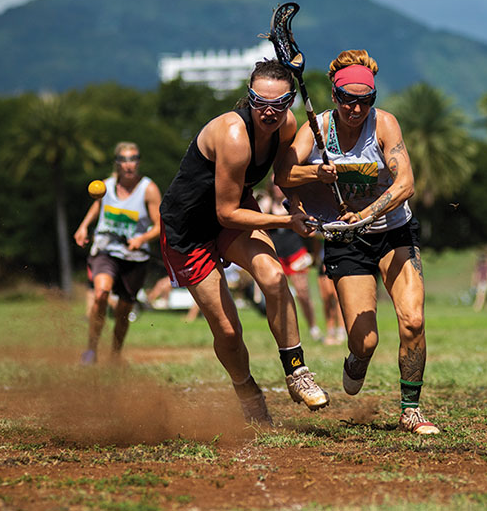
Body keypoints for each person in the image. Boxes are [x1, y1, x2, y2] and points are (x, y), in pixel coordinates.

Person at [276, 49, 440, 435]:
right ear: (334, 97)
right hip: (346, 241)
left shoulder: (384, 125)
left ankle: (411, 410)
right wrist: (318, 172)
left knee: (413, 320)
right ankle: (357, 357)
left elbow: (406, 183)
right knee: (365, 341)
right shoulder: (315, 128)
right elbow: (283, 174)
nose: (355, 108)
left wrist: (368, 214)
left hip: (394, 232)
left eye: (365, 100)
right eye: (347, 99)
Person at [158, 59, 329, 425]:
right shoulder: (234, 136)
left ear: (289, 104)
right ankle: (248, 393)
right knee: (229, 331)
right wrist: (286, 221)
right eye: (259, 101)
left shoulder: (286, 128)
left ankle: (297, 372)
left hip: (234, 211)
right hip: (190, 230)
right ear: (248, 96)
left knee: (272, 276)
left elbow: (284, 178)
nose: (268, 111)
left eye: (278, 104)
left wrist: (310, 182)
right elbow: (226, 214)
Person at [74, 142, 162, 364]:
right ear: (117, 163)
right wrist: (84, 226)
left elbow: (160, 225)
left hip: (135, 258)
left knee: (123, 311)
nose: (128, 164)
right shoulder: (106, 186)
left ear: (138, 161)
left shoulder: (148, 189)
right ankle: (91, 349)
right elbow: (98, 206)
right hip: (106, 250)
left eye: (133, 158)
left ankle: (114, 355)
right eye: (123, 159)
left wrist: (141, 238)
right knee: (101, 293)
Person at [258, 179, 323, 342]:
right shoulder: (267, 203)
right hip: (276, 255)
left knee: (302, 292)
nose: (277, 188)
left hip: (295, 252)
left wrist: (311, 253)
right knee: (276, 295)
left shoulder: (293, 203)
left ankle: (313, 327)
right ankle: (284, 332)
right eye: (273, 185)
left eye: (278, 184)